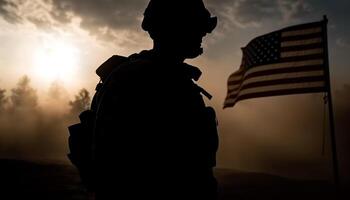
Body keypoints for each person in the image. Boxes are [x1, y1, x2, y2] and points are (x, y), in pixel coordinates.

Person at [93, 0, 218, 199]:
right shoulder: (144, 78)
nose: (204, 34)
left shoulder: (171, 77)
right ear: (173, 28)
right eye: (196, 26)